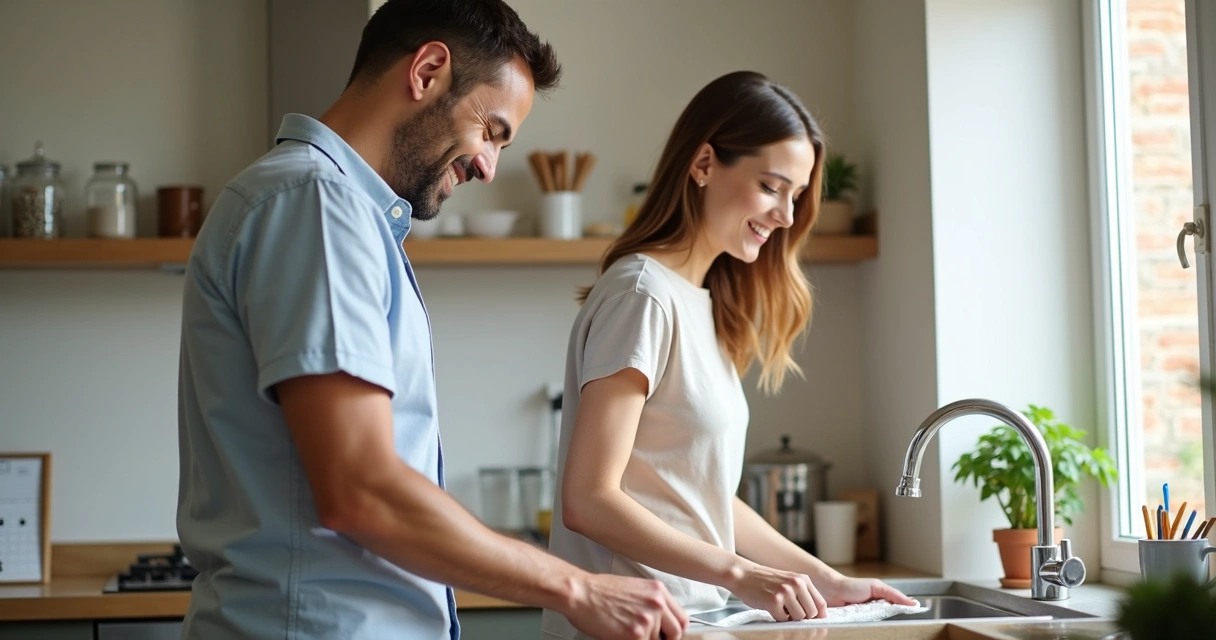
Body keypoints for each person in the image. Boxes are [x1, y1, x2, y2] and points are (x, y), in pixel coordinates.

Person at [175, 1, 688, 638]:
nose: (488, 166)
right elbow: (360, 487)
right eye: (492, 131)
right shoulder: (316, 207)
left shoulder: (341, 215)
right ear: (428, 71)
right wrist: (575, 586)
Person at [541, 71, 916, 639]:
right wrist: (743, 575)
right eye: (772, 186)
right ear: (704, 164)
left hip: (694, 621)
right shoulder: (642, 296)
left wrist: (823, 579)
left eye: (796, 194)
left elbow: (704, 501)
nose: (788, 216)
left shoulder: (700, 303)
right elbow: (589, 499)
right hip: (632, 626)